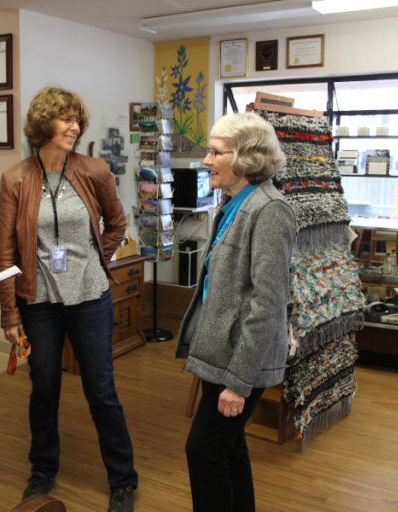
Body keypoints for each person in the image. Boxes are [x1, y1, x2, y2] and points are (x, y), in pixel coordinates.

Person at [0, 86, 138, 512]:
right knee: (44, 389)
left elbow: (116, 222)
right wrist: (9, 314)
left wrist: (98, 259)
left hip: (90, 298)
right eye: (66, 119)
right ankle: (41, 472)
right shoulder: (16, 178)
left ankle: (123, 479)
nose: (75, 127)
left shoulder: (93, 170)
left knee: (101, 390)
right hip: (38, 303)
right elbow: (5, 251)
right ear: (43, 124)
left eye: (78, 120)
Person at [175, 112, 297, 512]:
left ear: (246, 158)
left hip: (239, 361)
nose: (206, 160)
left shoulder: (270, 210)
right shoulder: (232, 203)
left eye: (215, 152)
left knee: (204, 450)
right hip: (221, 354)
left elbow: (266, 305)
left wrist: (239, 382)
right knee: (228, 447)